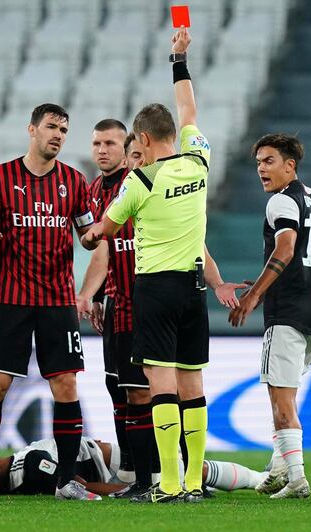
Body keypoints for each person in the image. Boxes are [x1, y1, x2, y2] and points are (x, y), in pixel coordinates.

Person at [83, 28, 243, 503]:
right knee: (194, 384)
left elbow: (103, 233)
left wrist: (90, 231)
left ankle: (168, 483)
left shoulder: (139, 180)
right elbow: (190, 109)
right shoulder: (198, 162)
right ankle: (195, 480)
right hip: (194, 288)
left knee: (161, 387)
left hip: (153, 289)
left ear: (146, 140)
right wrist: (179, 60)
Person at [0, 104, 100, 501]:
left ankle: (67, 481)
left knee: (66, 386)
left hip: (57, 302)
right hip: (13, 299)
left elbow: (87, 231)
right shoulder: (2, 178)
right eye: (52, 127)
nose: (58, 134)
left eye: (64, 129)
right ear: (32, 130)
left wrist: (92, 238)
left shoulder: (74, 181)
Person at [228, 134, 311, 500]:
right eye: (258, 163)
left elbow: (285, 247)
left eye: (269, 161)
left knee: (280, 399)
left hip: (288, 309)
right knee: (287, 393)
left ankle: (297, 479)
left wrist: (254, 295)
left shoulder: (281, 203)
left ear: (290, 165)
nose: (261, 169)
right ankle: (278, 467)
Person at [77, 126, 161, 498]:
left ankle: (155, 472)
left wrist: (86, 292)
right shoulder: (95, 190)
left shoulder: (139, 185)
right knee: (117, 388)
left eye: (110, 143)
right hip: (115, 306)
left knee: (144, 392)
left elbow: (105, 247)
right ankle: (129, 467)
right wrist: (96, 296)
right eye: (96, 143)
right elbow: (103, 250)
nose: (102, 150)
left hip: (145, 304)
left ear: (127, 150)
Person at [0, 437, 267, 497]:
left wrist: (128, 489)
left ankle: (260, 479)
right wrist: (126, 490)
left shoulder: (29, 463)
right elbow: (75, 485)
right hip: (105, 468)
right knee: (186, 472)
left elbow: (75, 484)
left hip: (107, 457)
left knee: (189, 471)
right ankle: (259, 479)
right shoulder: (28, 470)